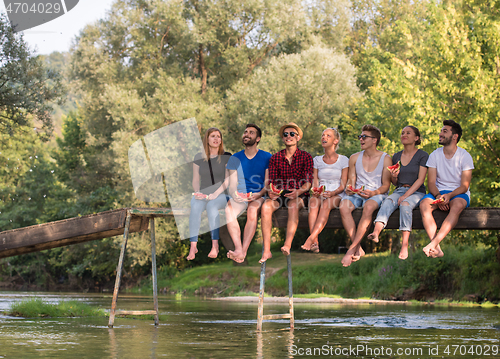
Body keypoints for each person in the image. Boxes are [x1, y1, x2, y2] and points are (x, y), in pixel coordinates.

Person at [367, 126, 429, 260]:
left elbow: (420, 180)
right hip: (400, 189)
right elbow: (395, 182)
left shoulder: (423, 155)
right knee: (388, 201)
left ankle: (404, 245)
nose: (404, 135)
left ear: (416, 138)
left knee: (405, 205)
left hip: (417, 191)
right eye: (402, 133)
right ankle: (376, 232)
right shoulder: (396, 156)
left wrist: (405, 196)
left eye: (408, 133)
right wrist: (394, 176)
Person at [259, 122, 313, 263]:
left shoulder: (306, 157)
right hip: (280, 194)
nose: (288, 136)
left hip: (299, 193)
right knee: (265, 207)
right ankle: (267, 250)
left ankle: (287, 245)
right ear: (283, 138)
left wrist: (298, 192)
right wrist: (271, 192)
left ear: (298, 137)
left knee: (293, 206)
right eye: (285, 134)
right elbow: (271, 182)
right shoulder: (275, 158)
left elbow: (308, 183)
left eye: (292, 134)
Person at [339, 124, 392, 267]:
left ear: (374, 140)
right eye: (360, 137)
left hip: (377, 194)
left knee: (368, 207)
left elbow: (386, 185)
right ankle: (357, 248)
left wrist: (373, 193)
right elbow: (351, 181)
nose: (361, 139)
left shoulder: (386, 159)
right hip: (357, 195)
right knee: (343, 206)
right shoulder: (354, 158)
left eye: (364, 137)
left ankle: (351, 249)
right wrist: (350, 189)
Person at [419, 120, 473, 258]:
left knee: (457, 206)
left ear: (454, 136)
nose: (440, 134)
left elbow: (464, 186)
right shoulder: (434, 155)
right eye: (441, 131)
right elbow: (431, 182)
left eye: (444, 131)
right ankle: (436, 248)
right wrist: (438, 196)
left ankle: (434, 243)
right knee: (424, 205)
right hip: (438, 192)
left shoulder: (465, 156)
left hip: (458, 193)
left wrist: (449, 196)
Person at [225, 124, 272, 263]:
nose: (246, 134)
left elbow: (267, 184)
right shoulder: (234, 158)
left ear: (257, 138)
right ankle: (238, 248)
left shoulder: (267, 157)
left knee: (252, 211)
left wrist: (259, 194)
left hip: (259, 195)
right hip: (240, 196)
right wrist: (235, 195)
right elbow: (232, 184)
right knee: (228, 210)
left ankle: (243, 251)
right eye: (245, 132)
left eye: (251, 133)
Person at [301, 128, 348, 253]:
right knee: (312, 202)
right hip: (321, 193)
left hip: (337, 194)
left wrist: (333, 193)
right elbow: (315, 180)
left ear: (335, 141)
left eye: (328, 135)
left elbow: (343, 184)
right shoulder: (316, 160)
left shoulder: (343, 160)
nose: (324, 137)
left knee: (326, 204)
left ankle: (310, 238)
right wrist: (315, 191)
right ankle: (315, 242)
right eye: (323, 135)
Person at [188, 127, 231, 260]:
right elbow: (195, 180)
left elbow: (227, 180)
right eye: (213, 136)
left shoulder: (227, 156)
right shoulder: (198, 157)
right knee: (194, 206)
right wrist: (197, 192)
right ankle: (193, 245)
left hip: (222, 194)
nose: (216, 139)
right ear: (207, 139)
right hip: (204, 194)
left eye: (218, 136)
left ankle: (215, 245)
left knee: (212, 206)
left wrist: (216, 194)